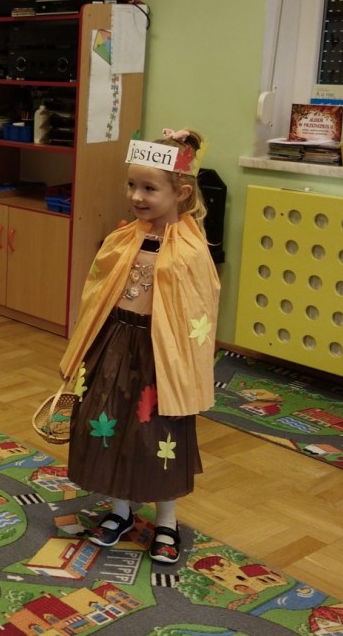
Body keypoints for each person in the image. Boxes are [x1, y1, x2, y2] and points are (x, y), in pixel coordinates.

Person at [58, 128, 220, 565]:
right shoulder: (123, 237)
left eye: (149, 188)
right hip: (115, 342)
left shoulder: (190, 250)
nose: (136, 196)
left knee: (158, 434)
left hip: (161, 355)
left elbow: (198, 308)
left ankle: (166, 521)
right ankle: (120, 511)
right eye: (131, 184)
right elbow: (99, 291)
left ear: (180, 192)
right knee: (107, 422)